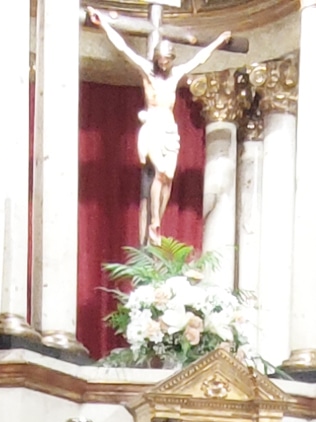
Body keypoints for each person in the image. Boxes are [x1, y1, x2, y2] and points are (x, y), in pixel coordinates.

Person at [87, 8, 230, 246]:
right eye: (162, 58)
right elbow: (123, 49)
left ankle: (158, 221)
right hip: (153, 124)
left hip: (169, 128)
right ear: (156, 56)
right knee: (160, 172)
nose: (164, 62)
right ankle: (153, 222)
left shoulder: (175, 76)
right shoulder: (147, 72)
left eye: (168, 59)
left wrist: (218, 41)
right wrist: (103, 25)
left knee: (168, 178)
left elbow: (199, 58)